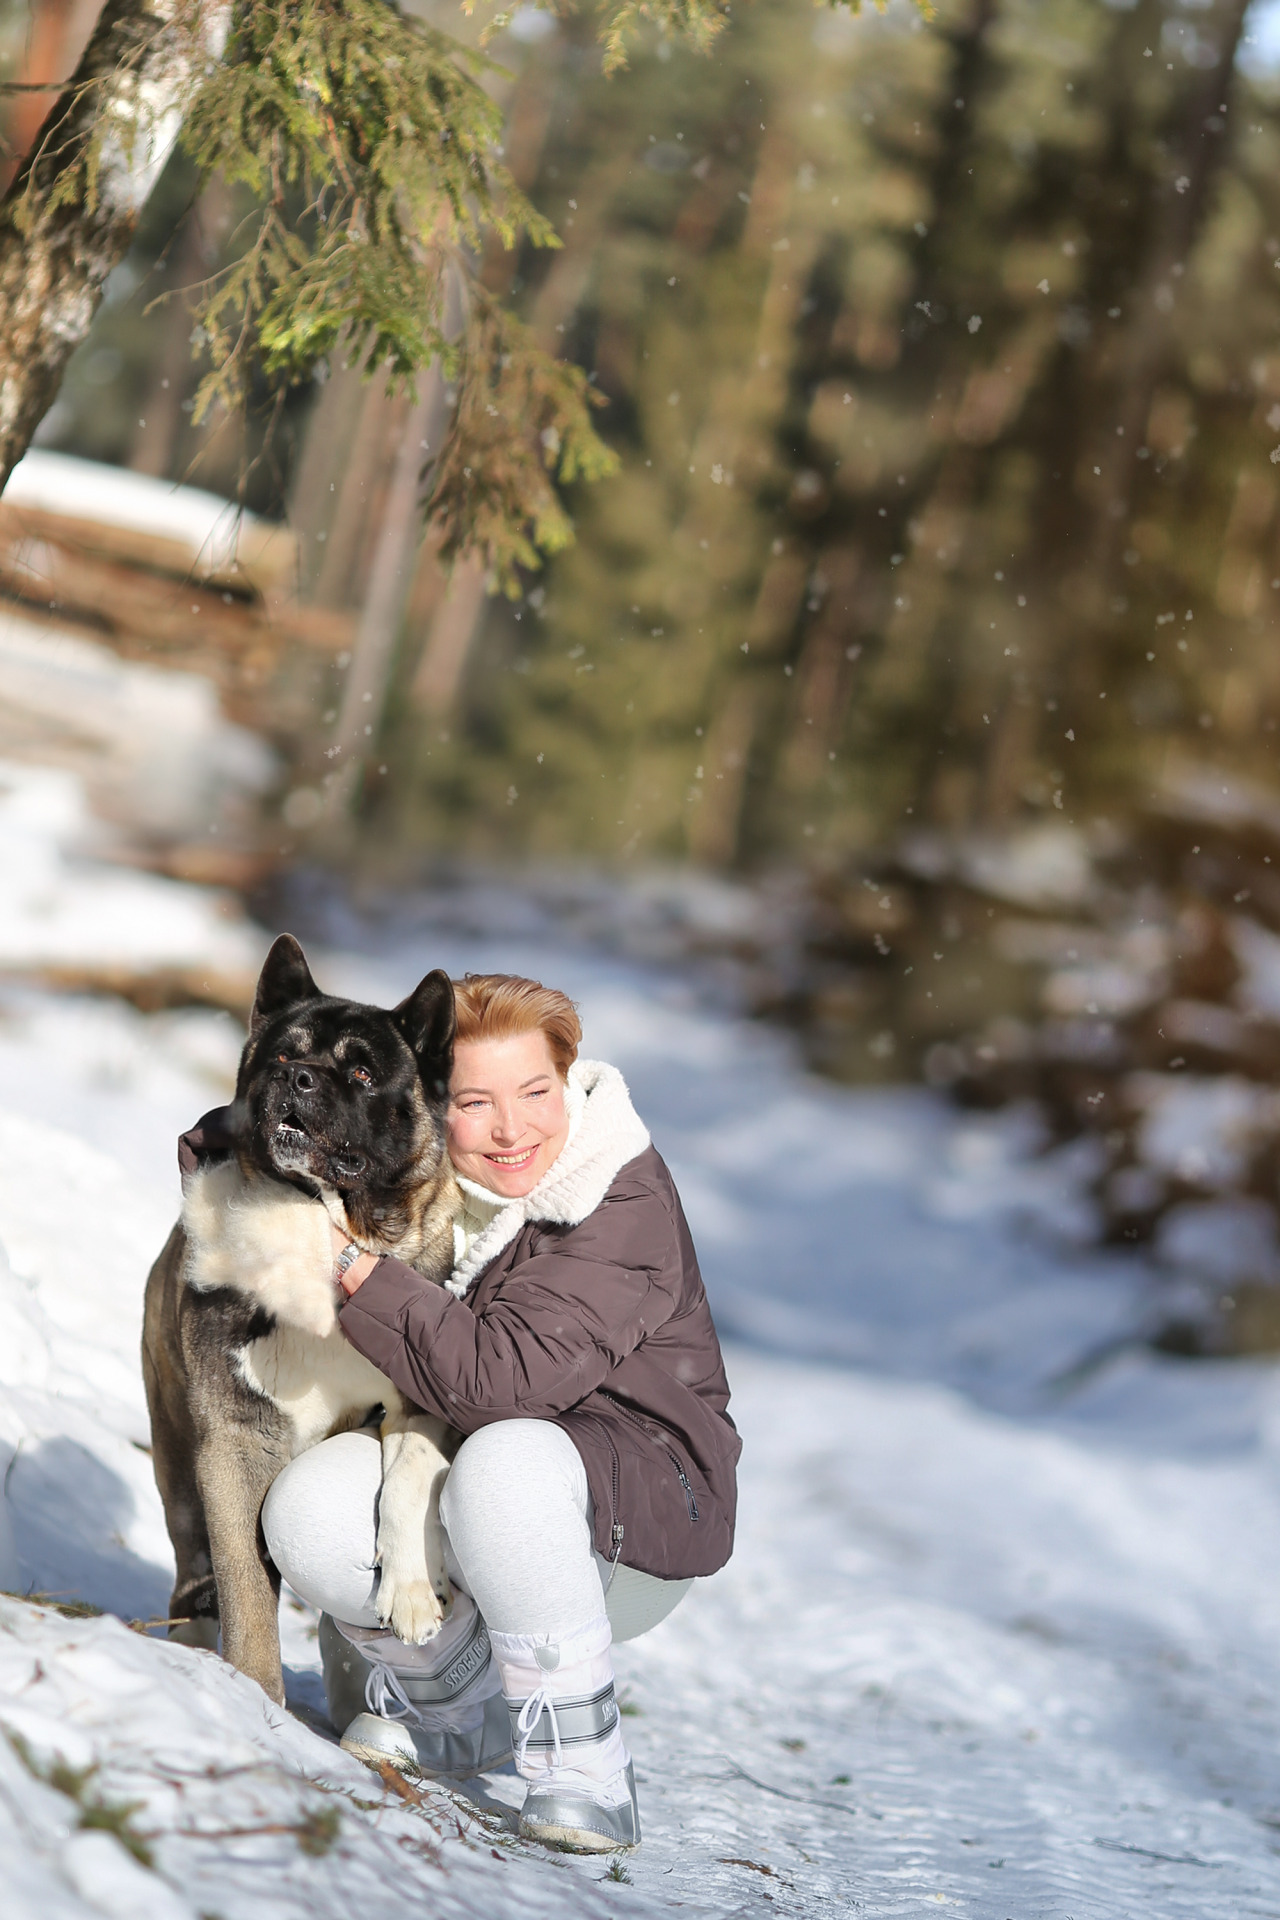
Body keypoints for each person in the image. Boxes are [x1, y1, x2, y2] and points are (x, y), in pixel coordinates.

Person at [257, 973, 741, 1853]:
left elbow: (500, 1385)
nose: (513, 1129)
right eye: (476, 1102)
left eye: (534, 1092)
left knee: (505, 1458)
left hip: (628, 1518)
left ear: (572, 1080)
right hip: (478, 1488)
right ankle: (454, 1707)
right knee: (311, 1508)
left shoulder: (614, 1194)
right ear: (434, 1105)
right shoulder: (431, 1185)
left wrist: (360, 1273)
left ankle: (582, 1766)